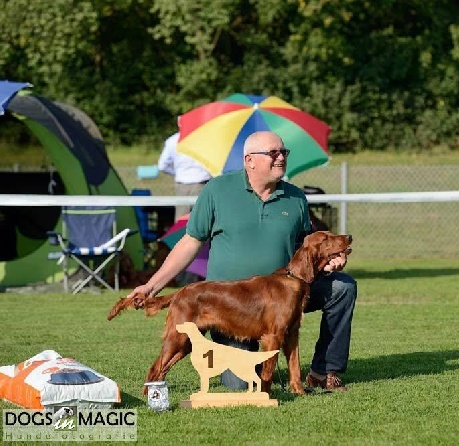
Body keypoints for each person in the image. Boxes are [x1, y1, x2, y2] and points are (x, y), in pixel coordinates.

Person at [127, 131, 357, 391]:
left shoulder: (295, 198)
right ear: (250, 160)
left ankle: (323, 371)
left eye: (284, 152)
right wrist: (152, 285)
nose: (281, 158)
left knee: (342, 287)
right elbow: (190, 242)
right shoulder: (217, 190)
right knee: (240, 384)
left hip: (284, 295)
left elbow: (305, 250)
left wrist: (328, 264)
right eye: (273, 153)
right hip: (232, 305)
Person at [157, 132, 212, 222]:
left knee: (181, 221)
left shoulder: (172, 140)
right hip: (202, 183)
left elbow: (162, 166)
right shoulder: (204, 138)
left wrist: (177, 173)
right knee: (202, 220)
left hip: (181, 184)